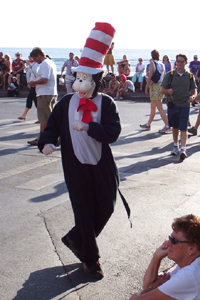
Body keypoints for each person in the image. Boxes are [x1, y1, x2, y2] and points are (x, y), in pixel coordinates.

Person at [37, 23, 130, 280]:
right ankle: (91, 259)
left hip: (102, 165)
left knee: (107, 207)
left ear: (96, 81)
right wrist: (47, 142)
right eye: (77, 78)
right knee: (84, 211)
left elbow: (113, 133)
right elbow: (51, 127)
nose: (79, 83)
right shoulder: (66, 103)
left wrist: (90, 127)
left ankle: (77, 238)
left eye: (85, 79)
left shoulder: (106, 103)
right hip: (74, 166)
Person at [129, 214, 200, 300]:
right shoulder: (191, 263)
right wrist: (156, 257)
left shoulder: (189, 275)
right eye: (170, 238)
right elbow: (149, 285)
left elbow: (136, 299)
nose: (168, 243)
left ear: (192, 248)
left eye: (174, 241)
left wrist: (152, 287)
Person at [161, 53, 197, 160]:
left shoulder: (189, 76)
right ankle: (175, 146)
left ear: (186, 63)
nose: (180, 64)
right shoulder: (170, 75)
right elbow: (162, 90)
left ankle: (183, 149)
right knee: (175, 127)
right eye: (178, 61)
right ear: (175, 62)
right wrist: (168, 91)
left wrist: (193, 97)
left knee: (184, 127)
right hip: (173, 104)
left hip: (185, 104)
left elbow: (193, 91)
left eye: (182, 62)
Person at [27, 47, 57, 146]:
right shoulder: (50, 62)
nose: (35, 61)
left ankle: (42, 138)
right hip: (50, 92)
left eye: (35, 59)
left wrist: (33, 82)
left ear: (39, 55)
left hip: (45, 93)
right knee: (49, 117)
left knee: (45, 117)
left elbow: (44, 79)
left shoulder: (44, 64)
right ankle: (45, 137)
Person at [141, 49, 170, 133]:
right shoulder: (162, 64)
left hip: (154, 86)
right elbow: (164, 75)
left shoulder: (152, 63)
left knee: (159, 106)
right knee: (153, 105)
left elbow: (150, 75)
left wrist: (147, 85)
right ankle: (148, 124)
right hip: (160, 85)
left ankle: (167, 125)